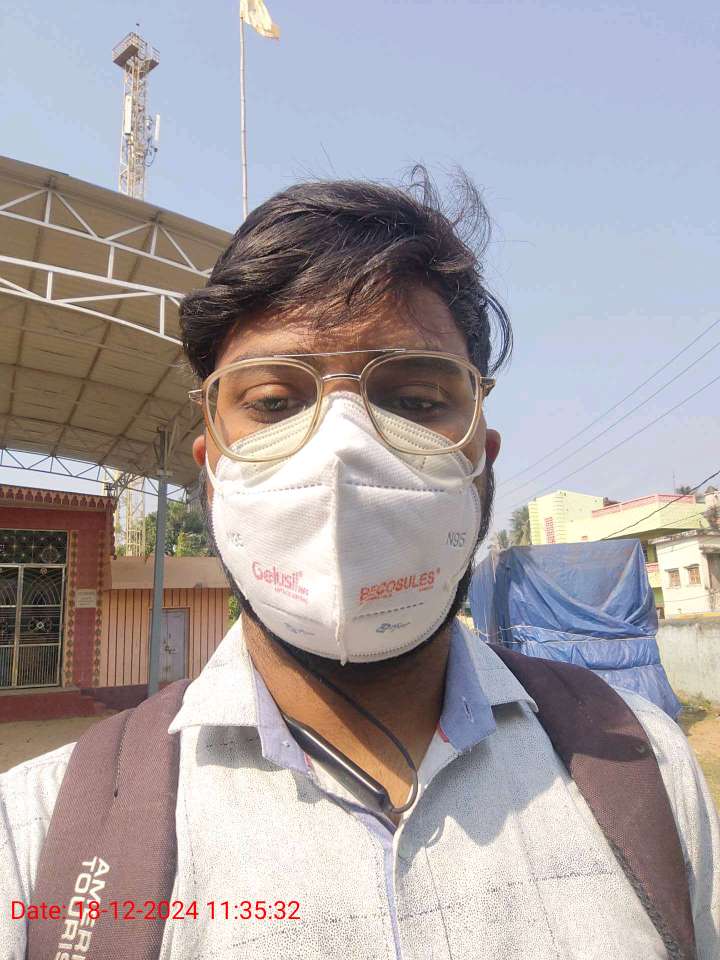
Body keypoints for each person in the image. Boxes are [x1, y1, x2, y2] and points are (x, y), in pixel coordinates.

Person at [1, 170, 718, 959]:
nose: (342, 449)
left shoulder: (646, 773)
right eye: (275, 403)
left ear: (481, 459)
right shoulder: (39, 839)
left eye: (414, 400)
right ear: (212, 470)